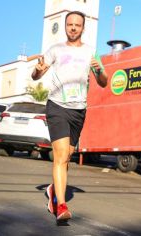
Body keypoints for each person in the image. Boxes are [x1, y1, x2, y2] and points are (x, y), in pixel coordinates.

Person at [32, 11, 108, 222]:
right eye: (70, 24)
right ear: (66, 26)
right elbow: (36, 74)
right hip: (57, 106)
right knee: (60, 155)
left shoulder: (91, 52)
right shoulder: (55, 49)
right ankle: (61, 206)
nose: (73, 28)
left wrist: (99, 71)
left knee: (66, 159)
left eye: (77, 25)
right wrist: (37, 70)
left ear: (83, 28)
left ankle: (52, 191)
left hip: (78, 110)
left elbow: (103, 81)